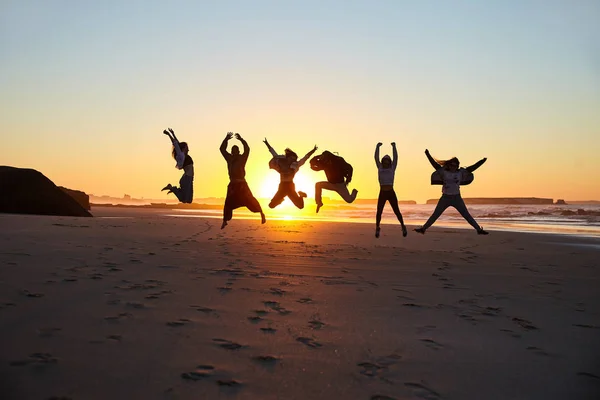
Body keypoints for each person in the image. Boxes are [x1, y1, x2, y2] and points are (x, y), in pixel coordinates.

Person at [414, 149, 488, 235]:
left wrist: (482, 161)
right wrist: (427, 154)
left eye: (455, 165)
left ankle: (478, 230)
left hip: (457, 198)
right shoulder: (443, 172)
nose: (453, 167)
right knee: (435, 215)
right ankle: (423, 229)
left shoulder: (461, 172)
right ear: (449, 165)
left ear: (457, 166)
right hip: (445, 198)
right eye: (451, 165)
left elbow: (472, 168)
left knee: (466, 215)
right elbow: (434, 164)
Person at [219, 132, 266, 229]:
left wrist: (241, 140)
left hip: (242, 184)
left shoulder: (242, 158)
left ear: (238, 151)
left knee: (250, 199)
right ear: (231, 152)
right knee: (228, 202)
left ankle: (261, 213)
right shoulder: (229, 158)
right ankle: (225, 220)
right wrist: (226, 139)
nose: (234, 151)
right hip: (232, 184)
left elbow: (247, 149)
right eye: (233, 150)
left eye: (236, 150)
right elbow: (222, 149)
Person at [264, 139, 317, 209]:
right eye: (292, 158)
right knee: (271, 205)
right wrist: (267, 144)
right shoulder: (281, 162)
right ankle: (281, 199)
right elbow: (273, 153)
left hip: (290, 187)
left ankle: (301, 195)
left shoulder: (296, 164)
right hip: (282, 186)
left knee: (301, 206)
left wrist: (313, 150)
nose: (293, 160)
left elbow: (305, 158)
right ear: (288, 157)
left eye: (294, 159)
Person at [374, 142, 407, 238]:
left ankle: (403, 226)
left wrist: (394, 147)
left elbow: (396, 157)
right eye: (384, 160)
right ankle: (377, 227)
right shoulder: (380, 167)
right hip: (382, 192)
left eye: (387, 160)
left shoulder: (392, 168)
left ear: (390, 161)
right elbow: (376, 158)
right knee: (379, 211)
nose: (386, 162)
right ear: (382, 161)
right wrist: (377, 147)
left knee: (396, 211)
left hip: (391, 192)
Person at [161, 128, 194, 203]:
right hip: (187, 178)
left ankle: (173, 189)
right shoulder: (181, 155)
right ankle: (173, 189)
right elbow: (175, 144)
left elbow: (178, 144)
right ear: (183, 149)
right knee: (185, 199)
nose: (188, 150)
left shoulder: (184, 155)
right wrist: (169, 134)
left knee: (188, 200)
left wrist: (173, 133)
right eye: (187, 148)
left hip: (189, 178)